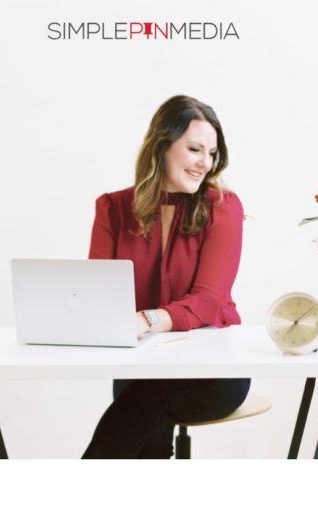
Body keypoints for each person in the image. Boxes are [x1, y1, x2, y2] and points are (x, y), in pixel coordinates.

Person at [82, 94, 251, 459]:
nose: (205, 163)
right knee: (146, 406)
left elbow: (208, 301)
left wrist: (146, 318)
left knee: (146, 396)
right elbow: (98, 296)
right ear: (162, 145)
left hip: (211, 375)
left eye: (212, 153)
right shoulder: (112, 209)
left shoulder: (222, 208)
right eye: (194, 149)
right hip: (140, 369)